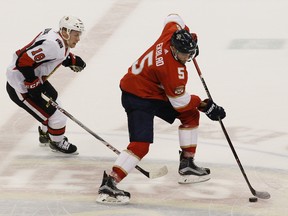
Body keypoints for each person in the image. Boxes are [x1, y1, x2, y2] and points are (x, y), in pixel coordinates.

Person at [96, 14, 226, 204]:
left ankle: (187, 165)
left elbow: (173, 18)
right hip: (138, 97)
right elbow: (179, 102)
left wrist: (186, 33)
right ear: (174, 48)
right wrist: (206, 105)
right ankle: (109, 185)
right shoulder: (173, 71)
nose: (188, 57)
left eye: (191, 52)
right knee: (141, 145)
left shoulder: (170, 34)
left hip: (149, 88)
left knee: (190, 115)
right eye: (185, 54)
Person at [6, 16, 86, 154]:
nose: (78, 38)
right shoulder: (52, 45)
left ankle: (46, 134)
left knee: (54, 100)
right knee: (58, 116)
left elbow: (50, 56)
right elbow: (23, 61)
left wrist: (71, 60)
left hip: (31, 78)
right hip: (20, 86)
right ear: (66, 32)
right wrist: (32, 84)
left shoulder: (56, 38)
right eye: (76, 34)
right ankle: (57, 143)